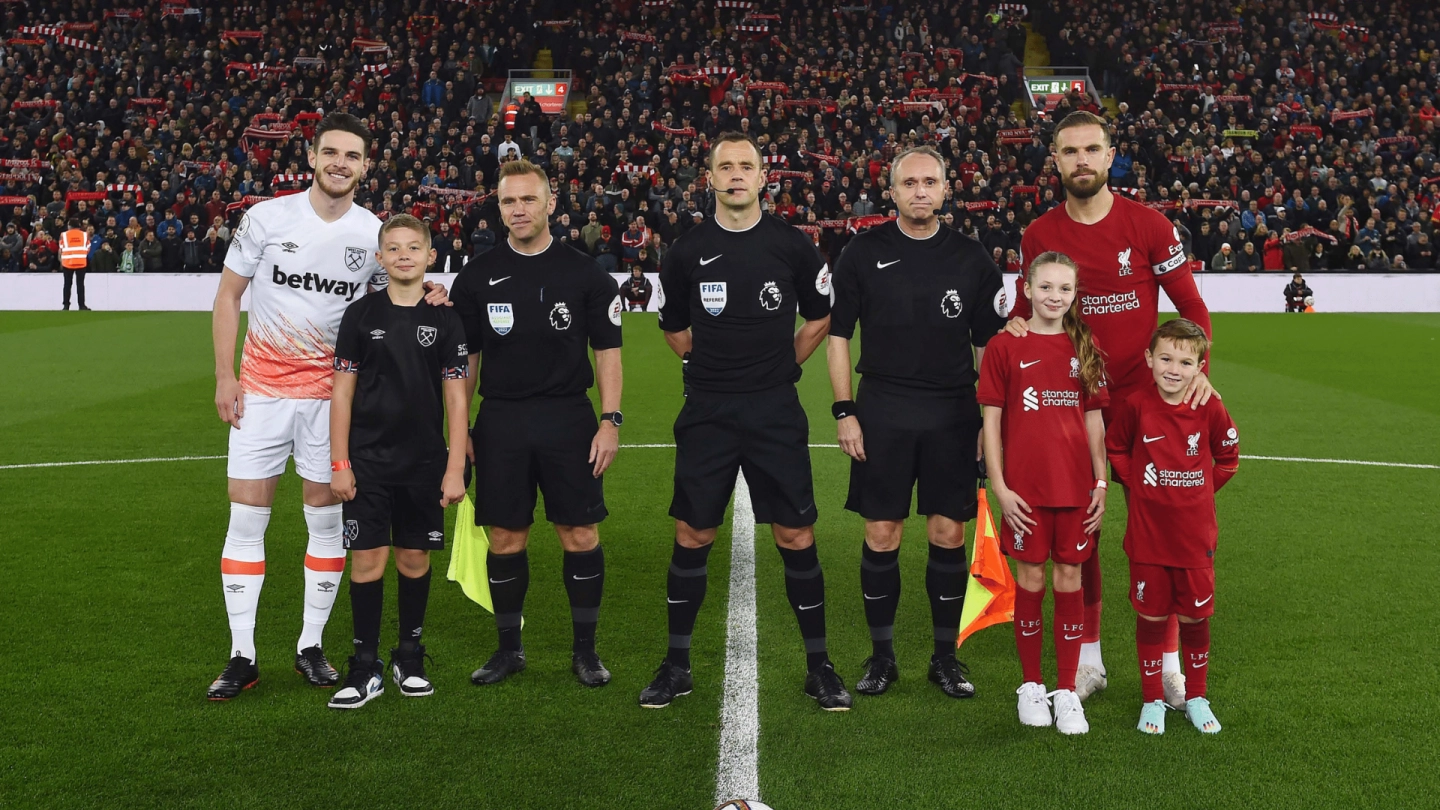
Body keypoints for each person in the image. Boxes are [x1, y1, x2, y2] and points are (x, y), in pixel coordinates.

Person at [207, 113, 448, 701]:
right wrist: (223, 374)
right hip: (260, 389)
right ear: (312, 157)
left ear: (366, 166)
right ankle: (242, 655)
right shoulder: (266, 217)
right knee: (247, 518)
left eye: (353, 155)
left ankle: (310, 646)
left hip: (332, 399)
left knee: (326, 519)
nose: (341, 163)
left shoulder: (373, 234)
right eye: (331, 152)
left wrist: (435, 291)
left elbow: (398, 292)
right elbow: (228, 295)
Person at [1009, 110, 1215, 709]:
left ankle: (1171, 666)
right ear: (1055, 158)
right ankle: (1091, 659)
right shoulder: (1038, 235)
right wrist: (1019, 322)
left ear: (1109, 155)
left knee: (1166, 530)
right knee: (1085, 533)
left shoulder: (1149, 225)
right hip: (1076, 408)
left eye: (1092, 149)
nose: (1081, 161)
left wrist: (1196, 376)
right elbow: (1032, 314)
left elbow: (1192, 310)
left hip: (1150, 405)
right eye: (1069, 151)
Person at [641, 132, 845, 711]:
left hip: (775, 410)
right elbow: (673, 328)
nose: (736, 175)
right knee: (693, 533)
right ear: (709, 178)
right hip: (706, 411)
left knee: (795, 534)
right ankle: (676, 666)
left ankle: (819, 666)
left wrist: (780, 366)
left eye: (746, 166)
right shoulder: (683, 251)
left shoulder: (793, 245)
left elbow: (820, 317)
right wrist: (704, 368)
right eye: (725, 167)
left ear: (762, 178)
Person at [827, 145, 1007, 700]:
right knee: (882, 533)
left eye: (931, 182)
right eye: (910, 183)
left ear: (947, 189)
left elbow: (989, 347)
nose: (920, 191)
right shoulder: (862, 251)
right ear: (893, 191)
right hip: (881, 407)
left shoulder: (973, 259)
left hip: (953, 412)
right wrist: (845, 411)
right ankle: (881, 658)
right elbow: (838, 338)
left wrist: (985, 422)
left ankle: (945, 658)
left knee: (947, 533)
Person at [450, 159, 624, 689]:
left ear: (551, 203)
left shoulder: (585, 273)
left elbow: (608, 354)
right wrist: (464, 436)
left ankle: (586, 653)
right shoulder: (476, 277)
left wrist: (610, 420)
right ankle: (508, 650)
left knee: (579, 532)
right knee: (505, 536)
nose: (519, 209)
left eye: (528, 199)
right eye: (508, 201)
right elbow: (465, 365)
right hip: (500, 420)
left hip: (569, 418)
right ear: (497, 208)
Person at [325, 215, 471, 709]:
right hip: (367, 462)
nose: (404, 254)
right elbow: (341, 394)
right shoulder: (360, 316)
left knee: (413, 559)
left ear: (431, 256)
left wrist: (454, 467)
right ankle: (365, 665)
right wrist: (340, 461)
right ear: (380, 257)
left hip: (426, 465)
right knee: (366, 562)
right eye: (394, 247)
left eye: (414, 247)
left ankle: (410, 655)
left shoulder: (447, 318)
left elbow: (457, 399)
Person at [977, 253, 1108, 734]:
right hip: (1025, 492)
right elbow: (991, 421)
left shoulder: (1083, 343)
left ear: (1075, 295)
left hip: (1075, 489)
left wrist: (1101, 481)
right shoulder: (1003, 346)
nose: (1055, 296)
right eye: (1047, 287)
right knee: (1030, 578)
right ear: (1027, 289)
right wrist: (1000, 485)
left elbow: (1094, 419)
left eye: (1065, 289)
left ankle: (1068, 689)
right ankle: (1032, 684)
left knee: (1069, 576)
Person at [1106, 319, 1239, 735]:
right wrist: (1139, 483)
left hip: (1194, 539)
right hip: (1148, 538)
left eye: (1185, 361)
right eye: (1165, 357)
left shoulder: (1210, 407)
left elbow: (1228, 459)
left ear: (1200, 366)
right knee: (1151, 615)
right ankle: (1152, 700)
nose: (1173, 368)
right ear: (1149, 359)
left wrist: (1198, 492)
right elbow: (1115, 447)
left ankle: (1197, 696)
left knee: (1196, 620)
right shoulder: (1135, 405)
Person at [60, 218, 90, 310]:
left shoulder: (64, 235)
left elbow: (61, 247)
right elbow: (88, 247)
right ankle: (81, 305)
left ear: (69, 225)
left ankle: (66, 305)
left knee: (67, 284)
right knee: (80, 284)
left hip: (67, 263)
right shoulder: (85, 235)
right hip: (81, 262)